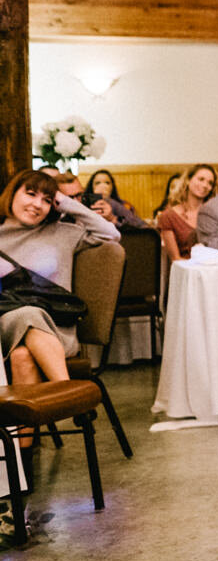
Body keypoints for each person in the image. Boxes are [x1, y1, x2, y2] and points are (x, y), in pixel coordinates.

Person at [0, 170, 119, 400]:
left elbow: (111, 234)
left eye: (47, 200)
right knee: (26, 314)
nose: (37, 204)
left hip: (56, 330)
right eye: (31, 194)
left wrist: (66, 202)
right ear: (13, 193)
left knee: (23, 356)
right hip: (3, 328)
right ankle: (70, 396)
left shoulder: (63, 233)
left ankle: (28, 433)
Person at [156, 164, 218, 261]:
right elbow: (175, 259)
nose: (205, 185)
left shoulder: (214, 215)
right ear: (188, 180)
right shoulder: (168, 216)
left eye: (210, 183)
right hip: (186, 271)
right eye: (201, 179)